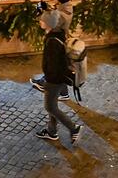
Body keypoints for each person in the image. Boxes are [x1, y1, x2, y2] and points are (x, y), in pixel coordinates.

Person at [35, 9, 83, 144]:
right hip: (59, 78)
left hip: (54, 80)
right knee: (53, 104)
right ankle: (52, 131)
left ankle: (74, 128)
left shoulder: (52, 41)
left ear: (49, 24)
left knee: (50, 107)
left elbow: (54, 64)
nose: (40, 22)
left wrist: (47, 80)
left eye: (42, 20)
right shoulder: (58, 35)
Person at [30, 0, 73, 100]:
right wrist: (47, 8)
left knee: (55, 64)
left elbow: (51, 22)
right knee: (59, 65)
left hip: (57, 40)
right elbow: (54, 14)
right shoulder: (66, 7)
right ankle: (62, 92)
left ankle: (47, 85)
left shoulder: (63, 12)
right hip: (59, 39)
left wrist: (42, 12)